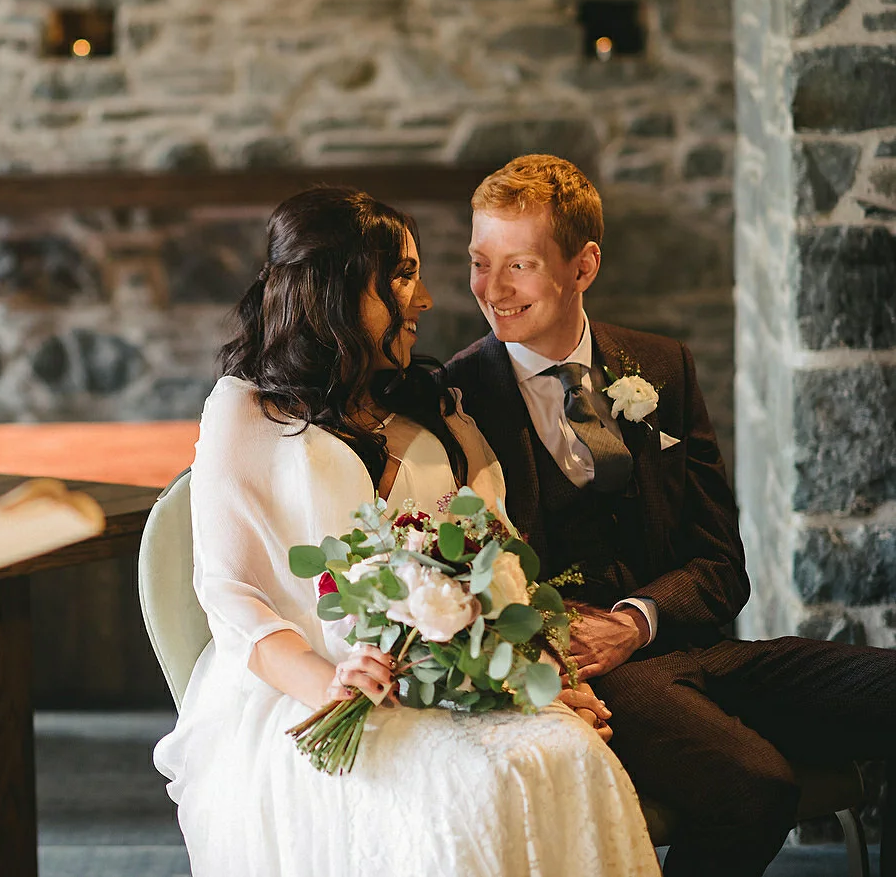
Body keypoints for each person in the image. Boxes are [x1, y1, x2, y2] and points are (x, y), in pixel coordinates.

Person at [153, 187, 658, 876]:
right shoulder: (248, 411)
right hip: (309, 690)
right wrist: (330, 683)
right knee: (465, 795)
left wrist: (537, 675)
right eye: (402, 275)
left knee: (572, 754)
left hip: (459, 682)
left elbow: (502, 560)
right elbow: (233, 597)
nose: (423, 300)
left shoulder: (438, 408)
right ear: (333, 286)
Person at [446, 154, 896, 877]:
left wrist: (637, 618)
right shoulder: (457, 398)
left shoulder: (661, 365)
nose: (490, 290)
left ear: (582, 265)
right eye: (478, 261)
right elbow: (473, 590)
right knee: (758, 786)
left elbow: (723, 567)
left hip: (703, 650)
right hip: (596, 684)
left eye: (519, 265)